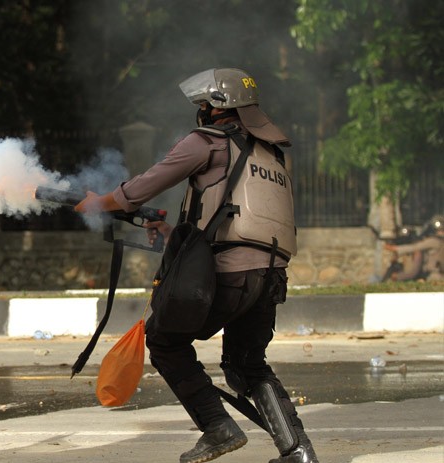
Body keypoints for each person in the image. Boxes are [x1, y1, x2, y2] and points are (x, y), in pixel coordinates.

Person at [75, 68, 318, 463]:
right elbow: (236, 220)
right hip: (270, 275)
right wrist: (172, 233)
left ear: (217, 107)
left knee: (165, 341)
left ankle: (218, 427)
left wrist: (99, 203)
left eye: (203, 104)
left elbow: (143, 186)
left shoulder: (207, 141)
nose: (199, 111)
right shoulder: (269, 153)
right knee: (247, 365)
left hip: (230, 273)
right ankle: (298, 452)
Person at [384, 215, 443, 282]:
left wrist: (394, 248)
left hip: (434, 276)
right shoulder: (436, 241)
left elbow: (415, 248)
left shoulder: (434, 241)